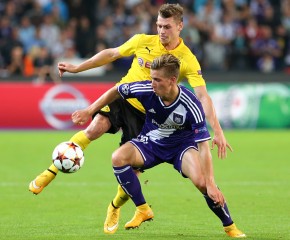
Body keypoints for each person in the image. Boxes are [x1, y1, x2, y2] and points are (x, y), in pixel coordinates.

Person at [29, 3, 232, 235]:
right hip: (123, 96)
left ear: (180, 26)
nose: (161, 31)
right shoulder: (143, 41)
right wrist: (78, 68)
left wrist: (218, 130)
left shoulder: (187, 59)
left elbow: (202, 96)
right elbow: (112, 53)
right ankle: (51, 170)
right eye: (158, 25)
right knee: (95, 127)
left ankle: (114, 206)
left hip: (148, 116)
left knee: (131, 171)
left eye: (166, 26)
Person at [71, 54, 246, 238]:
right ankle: (142, 208)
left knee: (202, 183)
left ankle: (230, 227)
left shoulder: (191, 104)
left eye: (156, 79)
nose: (151, 83)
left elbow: (203, 146)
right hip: (151, 142)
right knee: (118, 158)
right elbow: (116, 91)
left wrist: (211, 183)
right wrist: (89, 110)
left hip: (181, 147)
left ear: (172, 80)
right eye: (151, 78)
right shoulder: (146, 88)